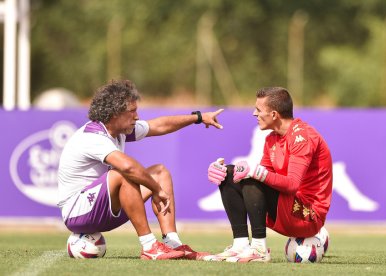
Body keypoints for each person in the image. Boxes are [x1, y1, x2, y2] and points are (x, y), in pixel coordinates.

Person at [58, 79, 224, 260]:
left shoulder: (118, 130)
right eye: (132, 111)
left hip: (104, 211)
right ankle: (150, 246)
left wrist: (198, 118)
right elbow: (128, 167)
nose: (137, 116)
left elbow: (159, 125)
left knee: (160, 172)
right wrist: (156, 189)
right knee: (123, 173)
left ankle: (173, 244)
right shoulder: (92, 136)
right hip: (78, 215)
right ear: (114, 113)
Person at [206, 87, 333, 262]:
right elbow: (263, 179)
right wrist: (223, 173)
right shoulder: (272, 139)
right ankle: (240, 245)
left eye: (258, 110)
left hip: (307, 216)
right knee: (230, 173)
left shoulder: (302, 136)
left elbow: (292, 184)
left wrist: (255, 172)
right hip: (285, 208)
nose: (253, 114)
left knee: (252, 176)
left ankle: (259, 249)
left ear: (274, 114)